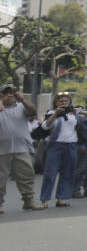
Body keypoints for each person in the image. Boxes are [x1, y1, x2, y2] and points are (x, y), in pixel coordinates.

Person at [39, 93, 87, 208]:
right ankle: (45, 200)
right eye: (61, 101)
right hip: (55, 145)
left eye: (66, 101)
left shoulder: (73, 113)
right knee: (50, 173)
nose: (63, 103)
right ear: (56, 103)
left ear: (69, 102)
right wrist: (56, 114)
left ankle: (61, 198)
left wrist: (78, 111)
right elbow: (45, 126)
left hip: (71, 145)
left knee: (67, 173)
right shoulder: (51, 113)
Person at [0, 84, 43, 213]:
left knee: (27, 176)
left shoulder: (21, 107)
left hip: (22, 148)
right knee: (0, 178)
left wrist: (22, 99)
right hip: (2, 150)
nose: (9, 95)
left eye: (12, 92)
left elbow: (33, 111)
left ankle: (29, 201)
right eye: (5, 92)